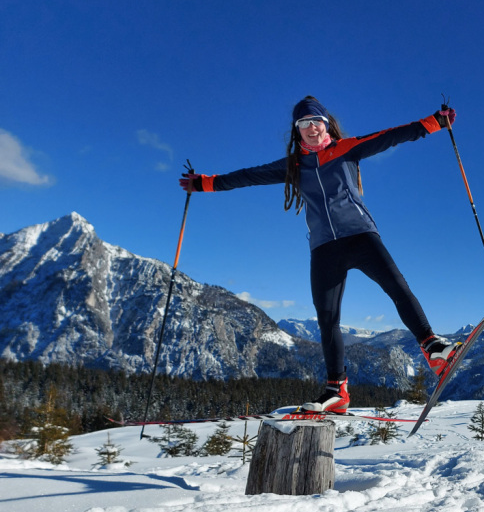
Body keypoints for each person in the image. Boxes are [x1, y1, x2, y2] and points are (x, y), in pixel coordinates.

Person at [179, 96, 459, 414]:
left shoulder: (346, 148)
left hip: (361, 236)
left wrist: (435, 122)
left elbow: (392, 135)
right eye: (303, 123)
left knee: (397, 288)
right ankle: (336, 389)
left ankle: (433, 346)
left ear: (326, 125)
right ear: (296, 131)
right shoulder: (295, 165)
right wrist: (204, 184)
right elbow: (248, 176)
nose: (311, 128)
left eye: (316, 122)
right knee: (328, 320)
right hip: (325, 247)